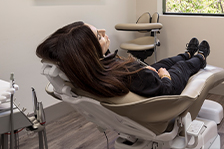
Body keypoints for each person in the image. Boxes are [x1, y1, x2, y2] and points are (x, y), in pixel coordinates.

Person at [36, 21, 210, 98]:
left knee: (164, 62)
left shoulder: (95, 69)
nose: (104, 32)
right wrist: (164, 76)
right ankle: (200, 57)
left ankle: (187, 53)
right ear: (89, 53)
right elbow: (165, 90)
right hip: (164, 86)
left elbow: (136, 75)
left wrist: (145, 71)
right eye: (98, 36)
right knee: (181, 67)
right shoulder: (130, 76)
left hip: (146, 77)